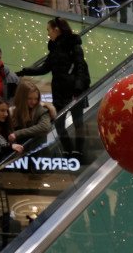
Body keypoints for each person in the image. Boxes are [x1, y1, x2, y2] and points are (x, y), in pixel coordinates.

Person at [17, 18, 89, 156]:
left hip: (74, 91)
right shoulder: (54, 49)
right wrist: (25, 71)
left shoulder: (73, 46)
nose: (48, 34)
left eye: (48, 30)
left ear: (56, 29)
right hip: (59, 91)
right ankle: (68, 150)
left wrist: (78, 88)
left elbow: (80, 67)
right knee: (58, 122)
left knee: (77, 121)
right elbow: (45, 68)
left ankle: (78, 151)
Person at [8, 79, 54, 148]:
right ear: (21, 98)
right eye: (29, 98)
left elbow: (44, 127)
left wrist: (17, 134)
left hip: (39, 151)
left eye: (36, 99)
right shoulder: (12, 112)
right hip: (19, 152)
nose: (33, 102)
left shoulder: (42, 109)